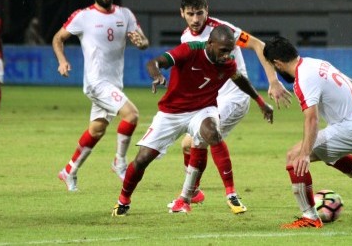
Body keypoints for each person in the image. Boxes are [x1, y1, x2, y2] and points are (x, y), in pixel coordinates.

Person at [112, 25, 274, 216]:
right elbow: (154, 62)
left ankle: (231, 194)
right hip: (172, 112)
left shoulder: (227, 63)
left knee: (212, 133)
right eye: (223, 51)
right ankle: (123, 200)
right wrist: (157, 75)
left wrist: (260, 101)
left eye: (230, 51)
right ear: (210, 44)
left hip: (202, 109)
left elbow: (240, 80)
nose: (226, 56)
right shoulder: (190, 50)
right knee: (142, 158)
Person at [167, 0, 292, 210]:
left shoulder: (223, 30)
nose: (196, 19)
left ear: (207, 11)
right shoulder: (186, 37)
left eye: (200, 13)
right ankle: (194, 192)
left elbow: (257, 45)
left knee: (197, 140)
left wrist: (273, 80)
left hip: (234, 97)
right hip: (211, 99)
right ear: (182, 14)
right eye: (190, 14)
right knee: (187, 146)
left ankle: (190, 198)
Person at [263, 36, 352, 229]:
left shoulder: (303, 79)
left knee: (294, 157)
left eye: (274, 67)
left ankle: (309, 217)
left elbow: (312, 118)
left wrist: (305, 154)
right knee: (328, 153)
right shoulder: (315, 63)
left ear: (277, 64)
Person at [52, 0, 149, 191]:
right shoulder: (83, 16)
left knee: (96, 130)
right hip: (96, 83)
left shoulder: (125, 15)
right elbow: (58, 38)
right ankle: (120, 162)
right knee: (132, 114)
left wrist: (140, 42)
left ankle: (69, 170)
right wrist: (62, 60)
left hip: (114, 83)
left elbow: (143, 42)